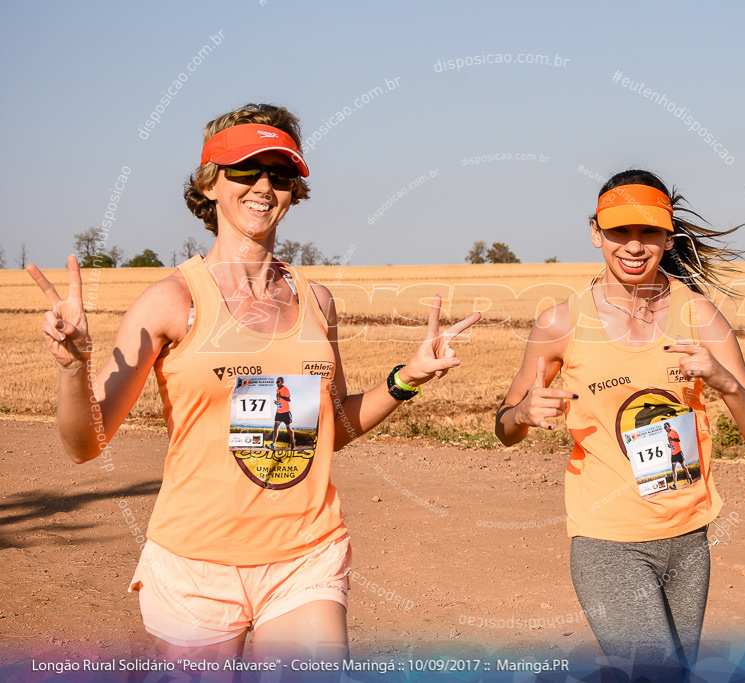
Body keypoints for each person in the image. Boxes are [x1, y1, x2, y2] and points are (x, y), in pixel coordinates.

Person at [28, 103, 478, 664]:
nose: (264, 186)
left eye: (281, 173)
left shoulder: (317, 300)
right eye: (246, 170)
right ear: (210, 183)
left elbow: (329, 429)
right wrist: (71, 368)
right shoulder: (173, 301)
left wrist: (406, 378)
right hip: (196, 564)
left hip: (306, 555)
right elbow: (84, 444)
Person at [495, 169, 745, 678]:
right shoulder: (560, 323)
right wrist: (522, 414)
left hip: (689, 538)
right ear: (595, 233)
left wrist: (726, 384)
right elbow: (504, 425)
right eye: (619, 231)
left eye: (648, 232)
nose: (634, 246)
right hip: (607, 541)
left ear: (668, 237)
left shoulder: (700, 317)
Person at [270, 376, 296, 450]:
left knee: (288, 428)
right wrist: (276, 402)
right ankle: (273, 444)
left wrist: (280, 396)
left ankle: (293, 440)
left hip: (286, 412)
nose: (277, 383)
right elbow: (279, 401)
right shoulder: (277, 390)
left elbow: (288, 399)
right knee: (275, 427)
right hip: (279, 412)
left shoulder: (285, 389)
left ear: (282, 382)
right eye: (276, 382)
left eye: (278, 381)